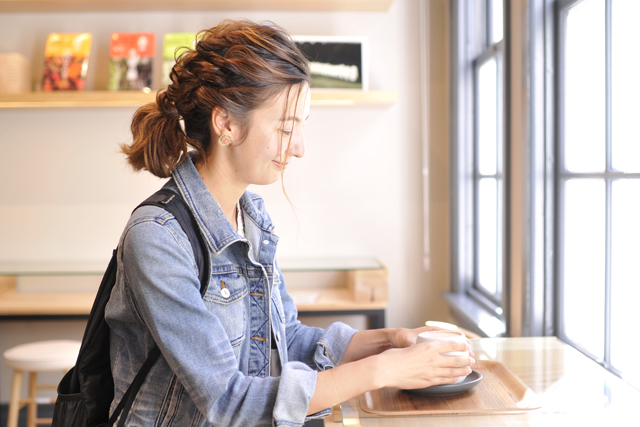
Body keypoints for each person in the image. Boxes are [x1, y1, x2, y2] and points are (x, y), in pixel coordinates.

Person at [106, 19, 475, 427]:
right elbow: (228, 400)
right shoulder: (157, 238)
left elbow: (286, 340)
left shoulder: (252, 216)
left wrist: (389, 343)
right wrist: (382, 371)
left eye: (301, 126)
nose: (299, 148)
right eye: (286, 128)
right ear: (226, 123)